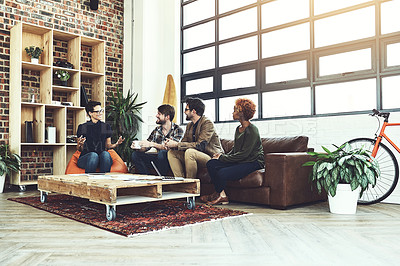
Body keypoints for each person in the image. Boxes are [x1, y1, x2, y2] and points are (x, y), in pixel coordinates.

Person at [201, 98, 264, 205]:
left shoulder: (252, 130)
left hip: (253, 162)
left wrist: (222, 158)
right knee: (211, 163)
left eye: (235, 110)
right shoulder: (238, 129)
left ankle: (219, 195)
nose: (232, 112)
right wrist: (221, 156)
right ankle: (221, 194)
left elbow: (244, 154)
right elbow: (235, 150)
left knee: (222, 173)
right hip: (242, 160)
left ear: (242, 113)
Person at [165, 97, 223, 178]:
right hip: (196, 155)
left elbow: (200, 145)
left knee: (190, 152)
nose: (184, 112)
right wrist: (171, 144)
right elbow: (183, 143)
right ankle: (180, 182)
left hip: (211, 157)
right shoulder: (190, 125)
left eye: (186, 109)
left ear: (193, 111)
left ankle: (190, 184)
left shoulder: (207, 123)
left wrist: (176, 144)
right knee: (171, 153)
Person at [131, 104, 183, 175]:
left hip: (171, 160)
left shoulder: (178, 130)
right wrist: (138, 147)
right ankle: (147, 178)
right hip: (159, 160)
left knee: (162, 153)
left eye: (159, 114)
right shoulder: (157, 130)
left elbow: (170, 148)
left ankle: (162, 178)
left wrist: (152, 144)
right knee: (135, 155)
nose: (156, 115)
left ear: (167, 117)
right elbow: (147, 147)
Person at [76, 101, 124, 173]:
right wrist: (80, 145)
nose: (101, 113)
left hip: (102, 159)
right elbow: (79, 149)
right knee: (93, 155)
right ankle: (89, 182)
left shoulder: (106, 126)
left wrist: (116, 144)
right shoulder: (83, 127)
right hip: (87, 158)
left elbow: (108, 145)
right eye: (97, 111)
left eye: (101, 111)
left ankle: (104, 181)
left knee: (105, 154)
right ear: (90, 113)